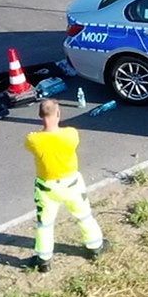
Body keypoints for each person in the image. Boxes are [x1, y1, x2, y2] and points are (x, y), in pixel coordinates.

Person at [25, 99, 105, 273]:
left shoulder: (33, 139)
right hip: (72, 185)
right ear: (58, 114)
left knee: (45, 224)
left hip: (46, 188)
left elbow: (32, 144)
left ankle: (44, 259)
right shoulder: (71, 134)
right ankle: (95, 247)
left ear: (40, 116)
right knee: (84, 216)